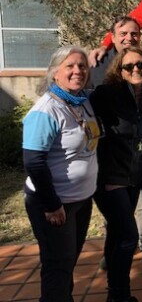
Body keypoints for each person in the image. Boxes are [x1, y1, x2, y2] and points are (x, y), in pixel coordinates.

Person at [22, 46, 100, 302]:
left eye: (82, 66)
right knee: (58, 265)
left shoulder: (81, 101)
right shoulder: (46, 110)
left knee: (68, 261)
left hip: (80, 199)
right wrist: (52, 205)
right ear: (55, 73)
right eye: (70, 66)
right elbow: (34, 162)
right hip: (55, 204)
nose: (77, 71)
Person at [89, 15, 142, 271]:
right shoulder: (99, 69)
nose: (129, 38)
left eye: (134, 34)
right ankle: (115, 263)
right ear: (113, 37)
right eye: (123, 34)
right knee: (120, 223)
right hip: (116, 167)